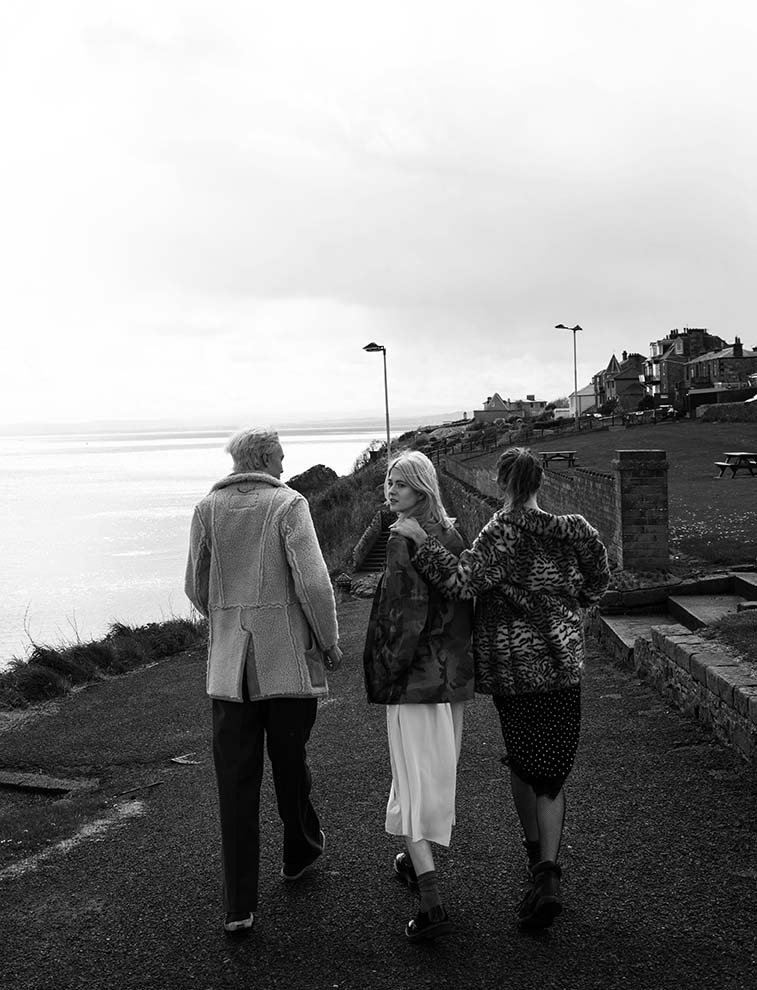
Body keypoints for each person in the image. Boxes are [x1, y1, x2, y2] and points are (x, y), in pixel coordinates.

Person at [392, 446, 609, 930]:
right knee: (551, 773)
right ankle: (546, 876)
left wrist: (418, 538)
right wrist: (577, 608)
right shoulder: (574, 528)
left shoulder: (500, 532)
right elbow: (600, 575)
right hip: (563, 667)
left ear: (503, 483)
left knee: (523, 760)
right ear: (538, 484)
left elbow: (460, 582)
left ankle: (537, 864)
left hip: (516, 670)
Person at [185, 427, 343, 935]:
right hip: (286, 663)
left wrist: (228, 618)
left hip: (229, 672)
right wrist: (329, 640)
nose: (283, 461)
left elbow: (194, 583)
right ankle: (298, 851)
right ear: (264, 458)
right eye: (280, 454)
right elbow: (313, 581)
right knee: (290, 760)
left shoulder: (207, 509)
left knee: (235, 782)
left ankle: (238, 906)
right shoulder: (288, 504)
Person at [363, 450, 474, 942]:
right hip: (454, 683)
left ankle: (432, 905)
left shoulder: (402, 538)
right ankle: (412, 860)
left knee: (412, 786)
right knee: (433, 777)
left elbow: (401, 617)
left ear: (421, 491)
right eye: (388, 483)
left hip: (416, 683)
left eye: (401, 485)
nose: (391, 492)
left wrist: (383, 671)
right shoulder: (454, 534)